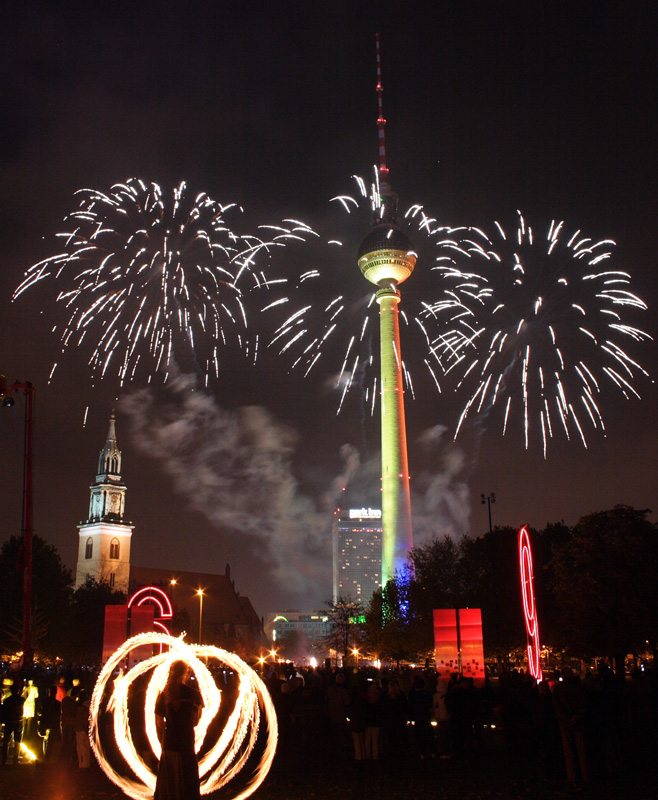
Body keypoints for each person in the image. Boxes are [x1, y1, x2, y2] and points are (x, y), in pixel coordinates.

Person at [154, 660, 204, 800]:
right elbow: (196, 721)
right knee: (187, 779)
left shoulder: (163, 695)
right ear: (186, 673)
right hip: (186, 742)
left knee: (170, 780)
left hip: (170, 743)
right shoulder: (193, 694)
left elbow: (158, 723)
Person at [1, 683, 25, 765]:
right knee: (17, 741)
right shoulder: (21, 700)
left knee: (6, 741)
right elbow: (22, 697)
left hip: (9, 722)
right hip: (18, 722)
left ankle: (4, 759)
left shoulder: (7, 701)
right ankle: (15, 759)